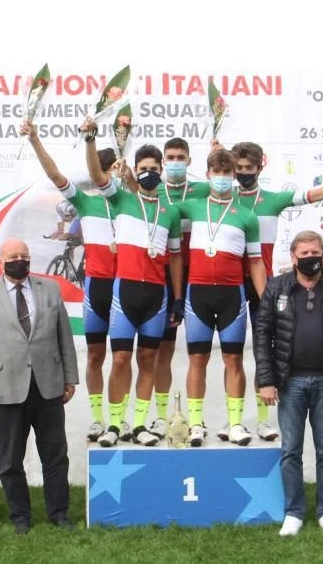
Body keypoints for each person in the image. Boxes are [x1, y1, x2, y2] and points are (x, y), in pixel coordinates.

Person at [225, 134, 323, 442]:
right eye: (238, 167)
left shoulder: (274, 199)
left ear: (260, 167)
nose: (243, 172)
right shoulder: (223, 197)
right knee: (232, 356)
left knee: (263, 353)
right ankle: (234, 422)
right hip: (228, 282)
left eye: (249, 167)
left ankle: (262, 421)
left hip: (262, 283)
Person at [0, 238, 78, 534]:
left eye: (24, 256)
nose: (20, 261)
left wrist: (70, 377)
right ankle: (20, 517)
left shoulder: (50, 289)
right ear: (0, 261)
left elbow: (64, 336)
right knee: (11, 458)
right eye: (13, 256)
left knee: (55, 455)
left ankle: (59, 513)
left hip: (48, 385)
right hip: (4, 387)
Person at [256, 231, 323, 537]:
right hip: (289, 382)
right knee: (291, 450)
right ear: (293, 257)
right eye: (304, 253)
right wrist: (266, 380)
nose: (310, 258)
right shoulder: (276, 287)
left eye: (315, 252)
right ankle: (294, 513)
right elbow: (262, 336)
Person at [23, 118, 119, 442]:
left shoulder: (134, 202)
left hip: (129, 287)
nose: (109, 176)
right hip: (98, 285)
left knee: (126, 358)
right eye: (106, 170)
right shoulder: (86, 202)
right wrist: (35, 140)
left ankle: (122, 420)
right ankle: (98, 419)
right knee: (96, 356)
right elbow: (55, 176)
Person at [97, 145, 184, 447]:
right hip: (126, 291)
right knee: (120, 359)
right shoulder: (123, 199)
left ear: (161, 171)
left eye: (154, 169)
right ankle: (114, 424)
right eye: (143, 168)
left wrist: (178, 297)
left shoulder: (170, 212)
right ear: (134, 170)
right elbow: (97, 175)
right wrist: (90, 140)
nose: (150, 173)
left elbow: (176, 257)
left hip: (156, 295)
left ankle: (139, 425)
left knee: (148, 359)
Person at [178, 148, 265, 447]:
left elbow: (256, 262)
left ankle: (236, 424)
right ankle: (195, 424)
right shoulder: (193, 206)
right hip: (198, 293)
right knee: (197, 358)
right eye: (217, 172)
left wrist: (265, 301)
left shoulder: (247, 216)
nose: (223, 177)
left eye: (228, 173)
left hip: (232, 295)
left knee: (234, 359)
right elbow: (159, 202)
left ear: (234, 176)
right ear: (208, 175)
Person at [151, 137, 211, 440]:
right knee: (163, 349)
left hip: (199, 274)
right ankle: (162, 417)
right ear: (163, 161)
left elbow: (229, 187)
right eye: (170, 157)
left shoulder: (204, 189)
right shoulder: (153, 189)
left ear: (189, 160)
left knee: (199, 351)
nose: (175, 162)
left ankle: (197, 419)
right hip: (164, 273)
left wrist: (218, 152)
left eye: (180, 157)